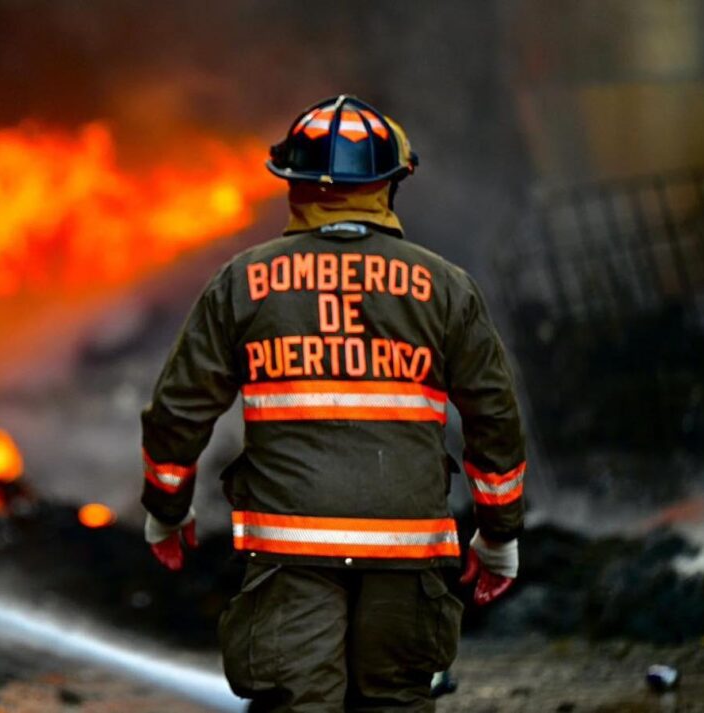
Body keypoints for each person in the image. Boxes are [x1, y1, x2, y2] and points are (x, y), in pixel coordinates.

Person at [139, 95, 525, 712]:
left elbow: (179, 411)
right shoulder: (445, 287)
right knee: (395, 702)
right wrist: (498, 535)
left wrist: (167, 507)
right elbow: (494, 420)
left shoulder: (243, 281)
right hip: (408, 554)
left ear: (292, 185)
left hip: (290, 557)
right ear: (390, 184)